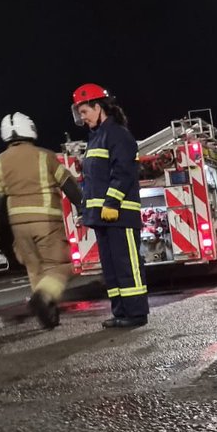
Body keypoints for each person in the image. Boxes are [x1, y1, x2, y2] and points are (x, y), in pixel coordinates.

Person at [0, 112, 83, 329]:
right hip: (47, 223)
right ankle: (43, 298)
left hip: (19, 227)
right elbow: (69, 185)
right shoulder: (45, 156)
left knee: (35, 270)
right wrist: (85, 207)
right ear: (30, 130)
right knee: (61, 266)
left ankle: (47, 315)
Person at [70, 83, 149, 329]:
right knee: (112, 269)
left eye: (85, 112)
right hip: (102, 217)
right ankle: (120, 312)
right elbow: (93, 181)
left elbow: (124, 172)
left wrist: (112, 202)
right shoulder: (96, 138)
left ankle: (136, 313)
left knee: (127, 266)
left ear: (99, 107)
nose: (83, 118)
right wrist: (87, 212)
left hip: (120, 215)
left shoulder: (118, 135)